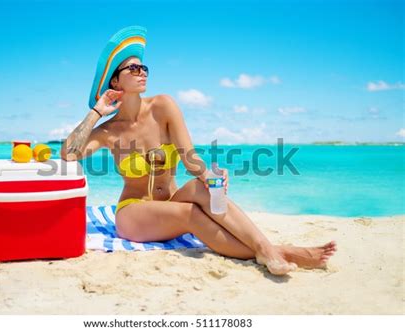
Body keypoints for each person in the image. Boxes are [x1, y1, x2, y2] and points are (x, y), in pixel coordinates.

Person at [61, 26, 337, 276]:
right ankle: (280, 251)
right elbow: (68, 154)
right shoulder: (110, 132)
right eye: (133, 69)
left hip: (171, 201)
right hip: (134, 213)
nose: (142, 72)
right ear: (115, 83)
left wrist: (209, 176)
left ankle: (265, 247)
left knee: (202, 189)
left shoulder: (163, 106)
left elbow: (190, 158)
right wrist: (96, 113)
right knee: (192, 214)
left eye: (144, 68)